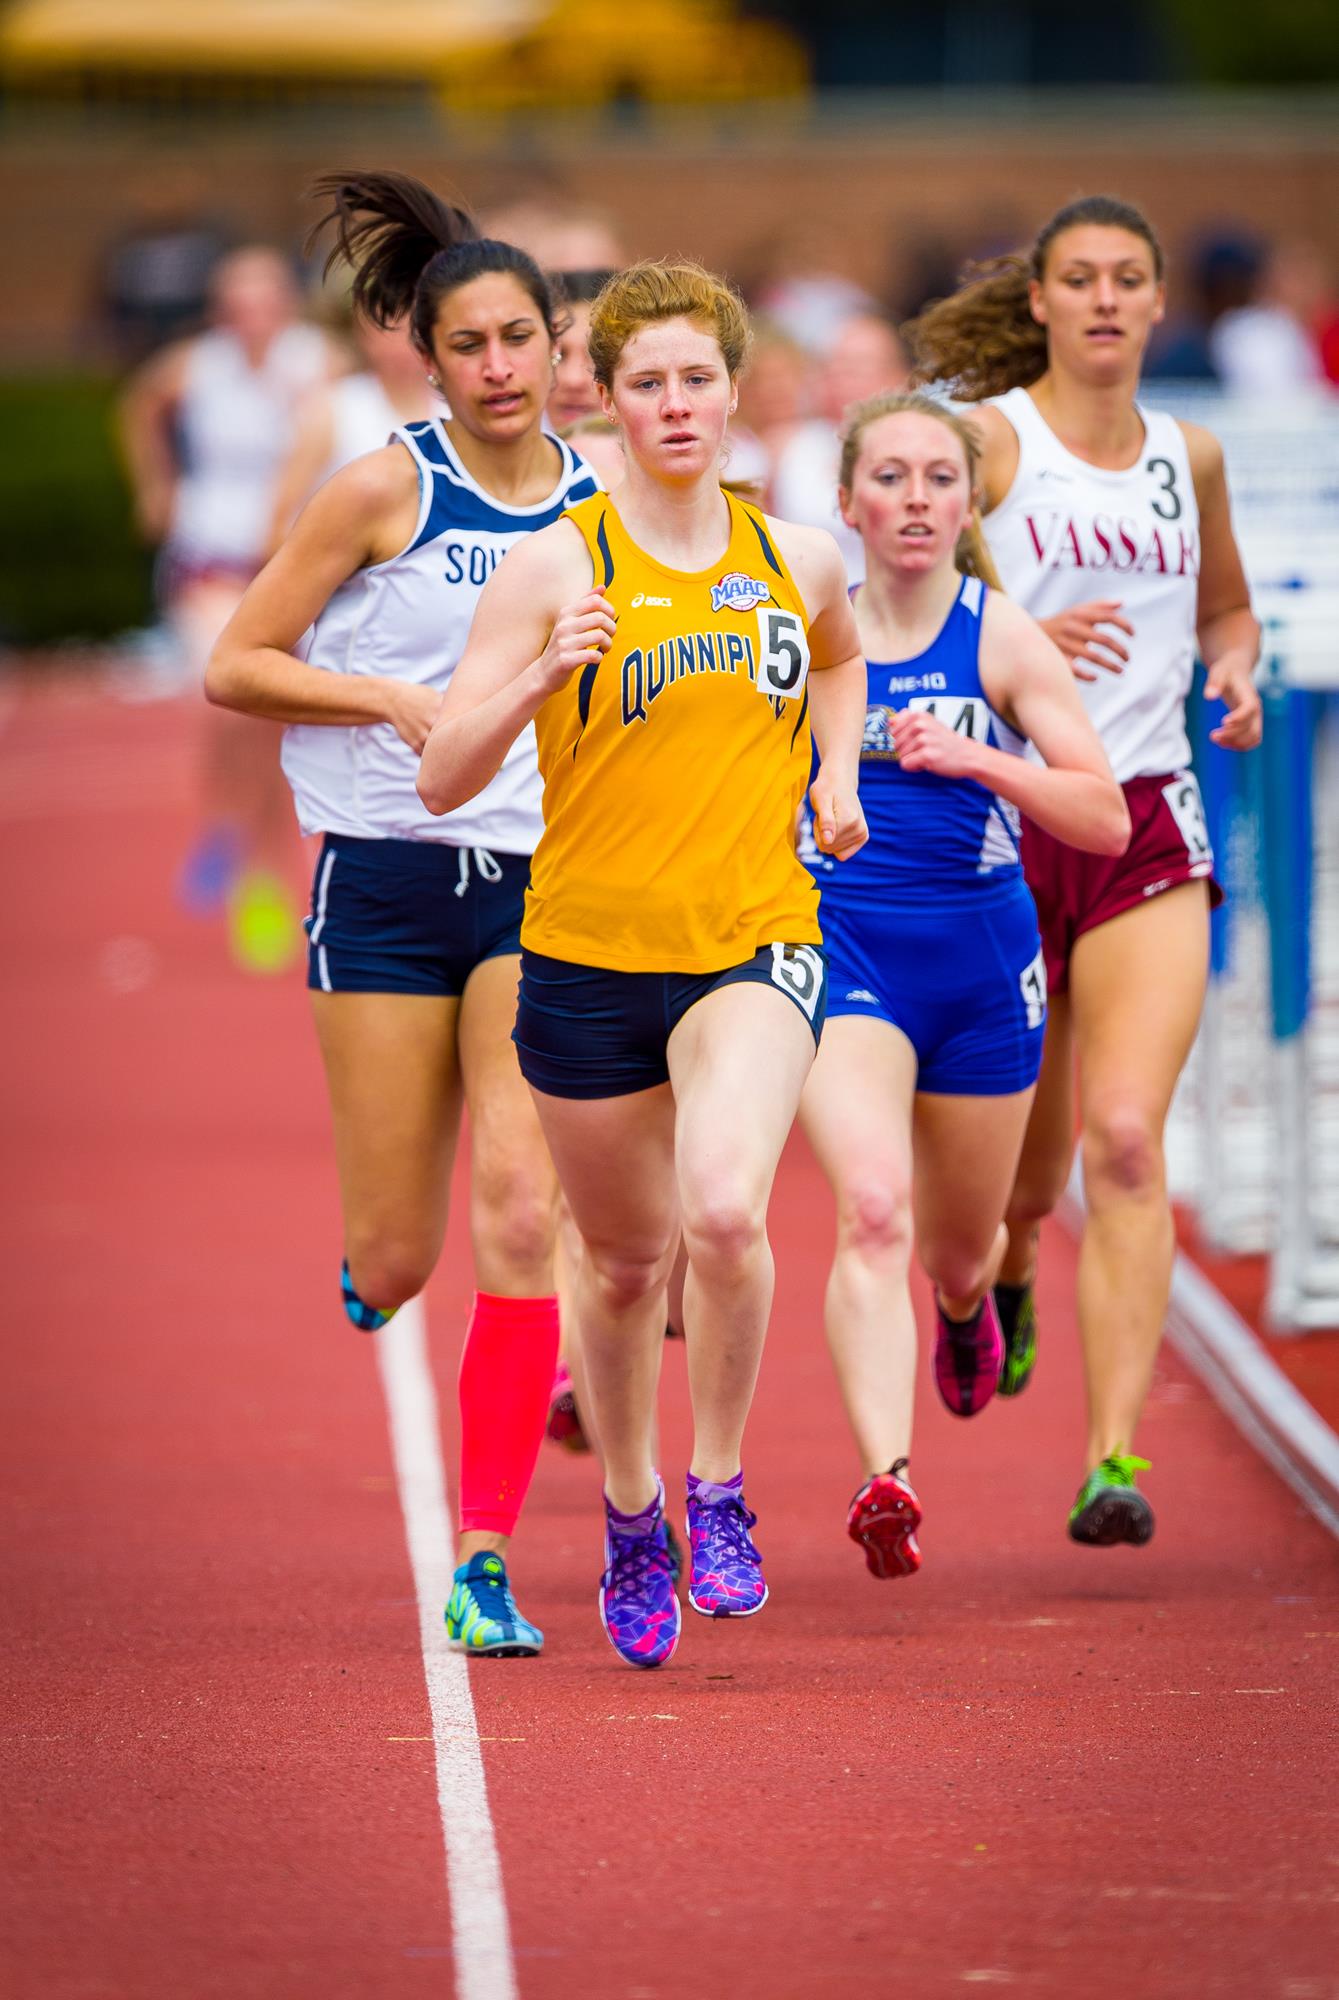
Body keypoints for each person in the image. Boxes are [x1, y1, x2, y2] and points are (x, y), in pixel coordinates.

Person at [416, 259, 868, 1668]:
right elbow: (439, 774)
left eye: (696, 378)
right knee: (616, 1270)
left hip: (752, 938)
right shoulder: (562, 561)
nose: (673, 404)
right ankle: (629, 1515)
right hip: (584, 957)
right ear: (598, 399)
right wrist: (536, 676)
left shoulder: (794, 555)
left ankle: (719, 1491)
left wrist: (833, 777)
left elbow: (838, 658)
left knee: (724, 1216)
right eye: (644, 382)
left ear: (736, 390)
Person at [204, 170, 602, 1655]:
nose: (500, 368)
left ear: (561, 347)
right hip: (377, 879)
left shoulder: (606, 498)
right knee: (399, 1255)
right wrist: (385, 693)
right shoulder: (382, 487)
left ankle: (483, 1555)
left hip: (540, 884)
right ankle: (370, 1271)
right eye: (471, 345)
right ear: (424, 358)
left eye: (523, 339)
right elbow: (235, 662)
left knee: (518, 1210)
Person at [909, 193, 1262, 1547]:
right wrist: (1038, 634)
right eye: (1081, 279)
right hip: (1001, 835)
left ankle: (1112, 1461)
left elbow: (1220, 604)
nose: (1105, 298)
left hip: (1144, 830)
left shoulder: (1191, 454)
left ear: (1159, 302)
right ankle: (1000, 1273)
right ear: (1040, 302)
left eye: (1128, 277)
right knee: (1019, 1170)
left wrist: (1225, 665)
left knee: (1121, 1141)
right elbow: (916, 595)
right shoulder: (991, 446)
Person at [797, 392, 1128, 1580]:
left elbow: (1099, 812)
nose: (918, 500)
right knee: (872, 1207)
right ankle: (890, 1474)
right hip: (848, 958)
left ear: (970, 500)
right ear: (847, 503)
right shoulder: (803, 628)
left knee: (955, 1243)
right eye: (891, 477)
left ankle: (965, 1305)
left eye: (941, 477)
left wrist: (980, 753)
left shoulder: (999, 637)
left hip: (985, 974)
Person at [118, 245, 341, 970]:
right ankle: (251, 862)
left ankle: (245, 847)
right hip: (209, 561)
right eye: (240, 302)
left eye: (267, 300)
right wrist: (156, 486)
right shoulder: (198, 365)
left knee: (271, 724)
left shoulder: (319, 362)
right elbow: (136, 406)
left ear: (287, 303)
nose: (255, 317)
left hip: (287, 566)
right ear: (222, 309)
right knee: (227, 706)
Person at [268, 314, 443, 546]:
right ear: (366, 337)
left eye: (412, 331)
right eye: (389, 331)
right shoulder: (334, 408)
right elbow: (280, 524)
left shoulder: (455, 409)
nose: (403, 345)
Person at [770, 313, 909, 582]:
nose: (841, 378)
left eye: (856, 368)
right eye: (832, 366)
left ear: (899, 377)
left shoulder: (920, 452)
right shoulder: (786, 445)